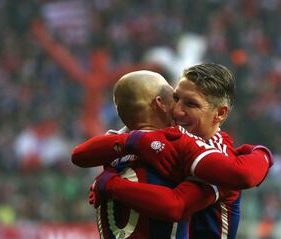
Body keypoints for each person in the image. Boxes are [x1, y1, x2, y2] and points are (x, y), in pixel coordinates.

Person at [72, 64, 273, 238]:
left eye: (191, 104)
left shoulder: (218, 156)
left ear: (220, 113)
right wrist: (134, 141)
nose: (177, 111)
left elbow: (175, 206)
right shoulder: (165, 136)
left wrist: (262, 153)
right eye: (176, 98)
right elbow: (80, 155)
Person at [86, 69, 220, 238]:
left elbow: (78, 155)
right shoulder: (184, 149)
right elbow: (174, 207)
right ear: (160, 103)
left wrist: (111, 184)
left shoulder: (110, 149)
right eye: (175, 99)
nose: (179, 109)